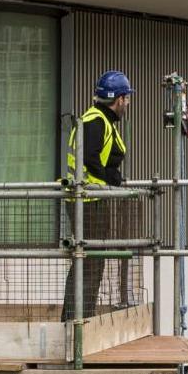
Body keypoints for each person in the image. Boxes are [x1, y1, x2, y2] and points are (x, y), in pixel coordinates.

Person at [69, 70, 137, 313]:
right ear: (118, 99)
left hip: (91, 198)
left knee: (90, 262)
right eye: (126, 99)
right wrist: (113, 178)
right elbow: (89, 158)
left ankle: (78, 317)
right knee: (89, 263)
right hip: (89, 200)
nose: (127, 103)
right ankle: (77, 319)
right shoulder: (96, 121)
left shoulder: (100, 120)